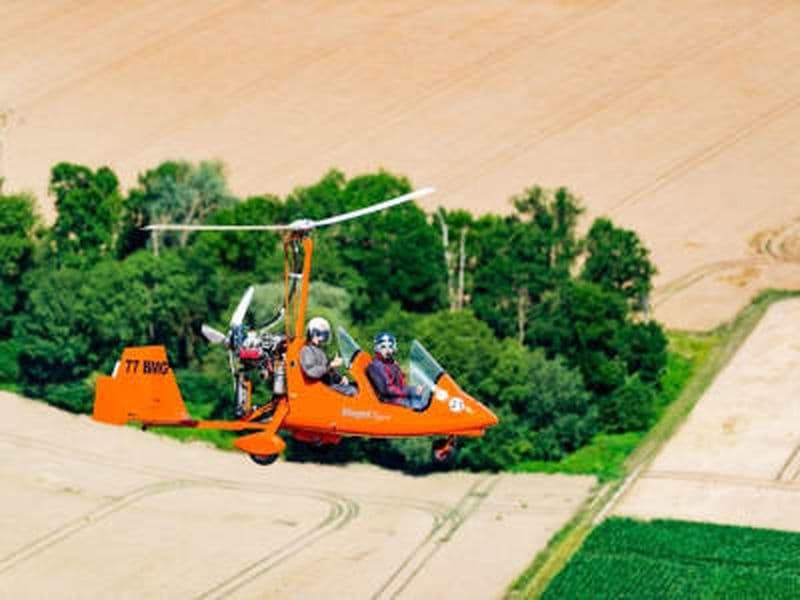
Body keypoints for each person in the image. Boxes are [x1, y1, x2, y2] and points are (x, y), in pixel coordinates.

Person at [366, 331, 428, 411]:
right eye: (383, 347)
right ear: (377, 348)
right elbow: (387, 390)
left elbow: (401, 384)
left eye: (390, 347)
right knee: (420, 407)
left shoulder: (392, 363)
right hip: (390, 401)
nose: (387, 350)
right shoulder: (376, 366)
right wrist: (411, 390)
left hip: (397, 397)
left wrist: (415, 389)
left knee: (426, 400)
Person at [300, 317, 356, 396]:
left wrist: (340, 379)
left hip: (328, 385)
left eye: (324, 334)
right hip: (319, 390)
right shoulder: (306, 350)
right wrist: (330, 365)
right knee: (352, 391)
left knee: (355, 386)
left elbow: (328, 371)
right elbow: (311, 372)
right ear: (311, 333)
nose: (321, 338)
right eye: (318, 334)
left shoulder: (319, 350)